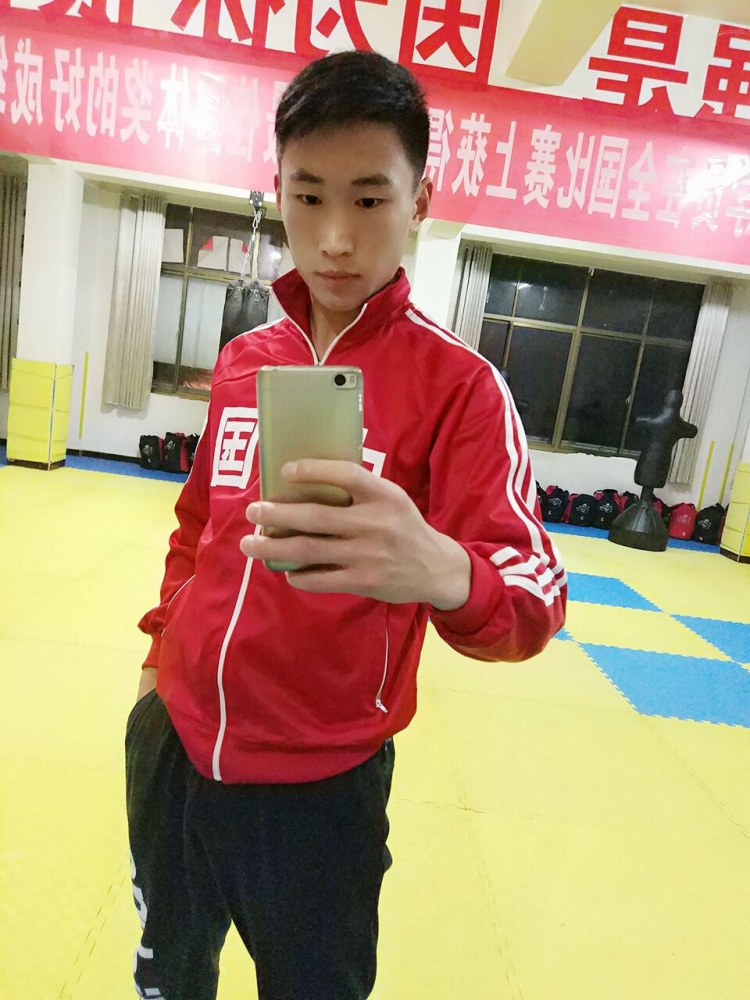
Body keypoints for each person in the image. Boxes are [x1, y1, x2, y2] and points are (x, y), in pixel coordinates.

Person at [126, 50, 567, 1000]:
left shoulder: (462, 388)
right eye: (307, 196)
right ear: (277, 189)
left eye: (369, 199)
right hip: (175, 743)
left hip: (320, 790)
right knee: (169, 978)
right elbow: (197, 526)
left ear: (420, 201)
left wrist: (444, 570)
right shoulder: (246, 358)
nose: (332, 239)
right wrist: (159, 662)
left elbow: (536, 594)